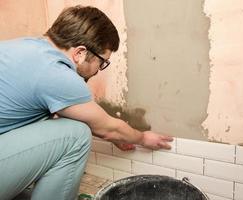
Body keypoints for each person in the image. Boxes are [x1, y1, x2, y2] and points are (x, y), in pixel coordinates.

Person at [0, 5, 173, 200]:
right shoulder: (55, 73)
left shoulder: (25, 47)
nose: (99, 69)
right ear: (80, 53)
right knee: (76, 135)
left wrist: (115, 136)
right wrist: (142, 138)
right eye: (102, 62)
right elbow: (108, 128)